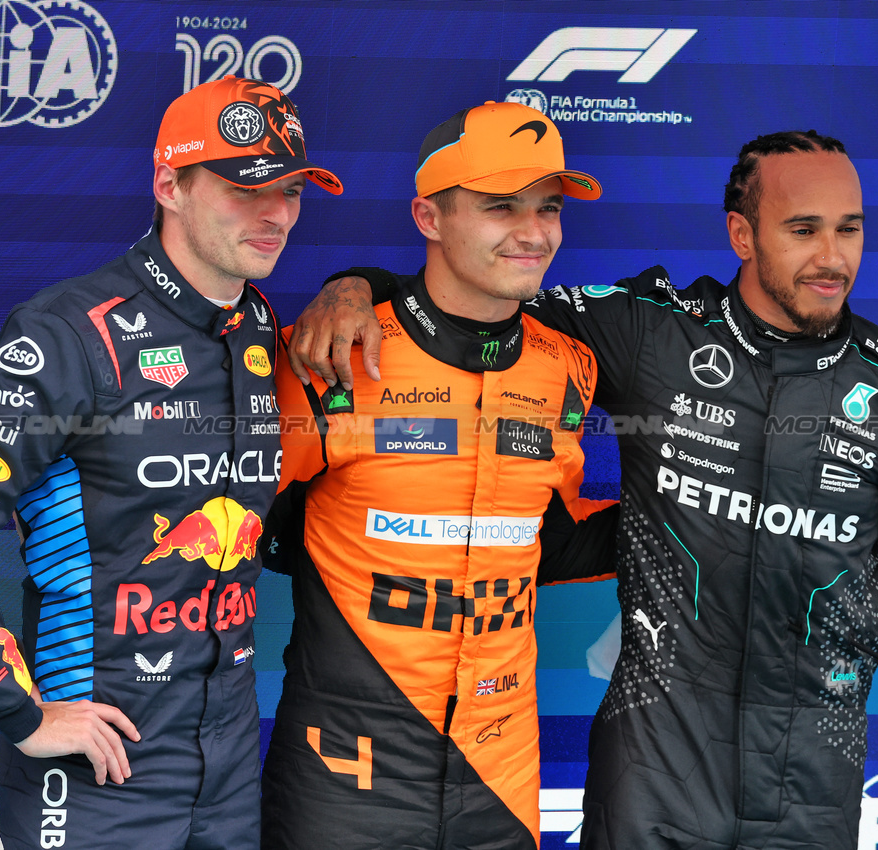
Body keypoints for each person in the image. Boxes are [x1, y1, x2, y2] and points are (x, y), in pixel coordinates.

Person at [291, 130, 878, 849]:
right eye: (802, 229)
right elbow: (474, 296)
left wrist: (816, 641)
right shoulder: (648, 330)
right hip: (650, 762)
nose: (831, 256)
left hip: (811, 770)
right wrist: (355, 286)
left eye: (849, 229)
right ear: (741, 234)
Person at [0, 76, 342, 850]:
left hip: (226, 760)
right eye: (245, 187)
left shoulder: (257, 324)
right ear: (170, 184)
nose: (277, 214)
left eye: (292, 189)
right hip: (101, 765)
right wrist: (21, 713)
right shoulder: (69, 333)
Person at [259, 101, 614, 850]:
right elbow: (245, 527)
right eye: (499, 207)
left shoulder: (569, 367)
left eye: (547, 208)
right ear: (428, 216)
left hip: (502, 770)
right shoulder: (332, 353)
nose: (533, 232)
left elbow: (546, 535)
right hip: (344, 771)